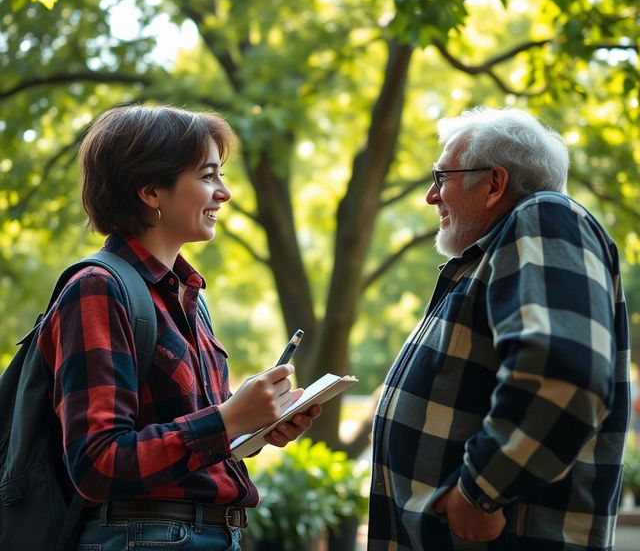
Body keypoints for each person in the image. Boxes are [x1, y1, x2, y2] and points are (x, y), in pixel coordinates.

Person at [36, 104, 320, 551]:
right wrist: (226, 419)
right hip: (145, 537)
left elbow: (187, 439)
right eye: (208, 176)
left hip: (208, 532)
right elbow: (98, 464)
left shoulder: (189, 297)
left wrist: (252, 427)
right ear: (151, 191)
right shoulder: (98, 289)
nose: (224, 193)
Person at [368, 106, 630, 550]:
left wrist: (479, 491)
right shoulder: (492, 255)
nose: (432, 197)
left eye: (441, 178)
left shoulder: (545, 216)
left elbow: (564, 376)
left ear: (494, 183)